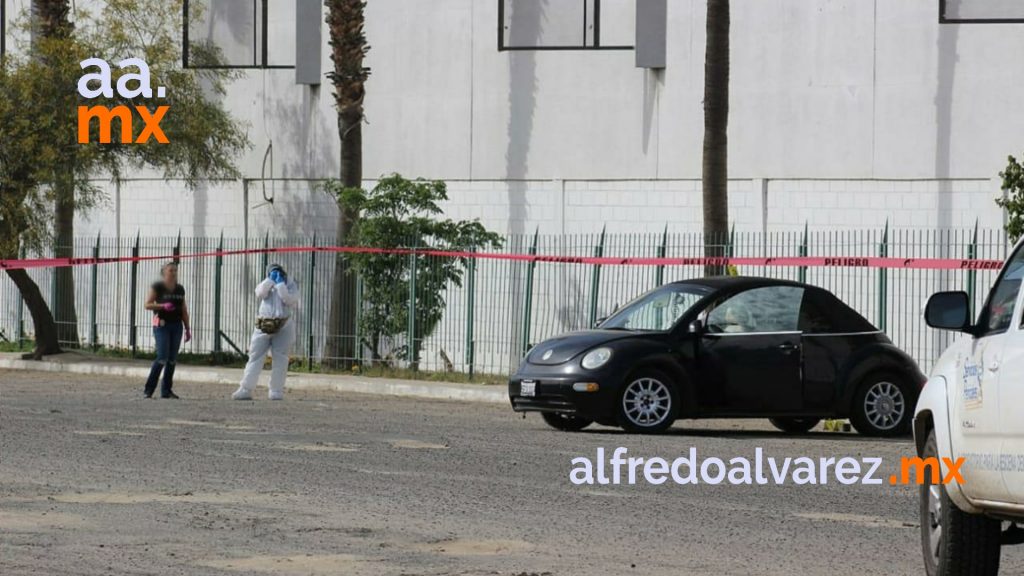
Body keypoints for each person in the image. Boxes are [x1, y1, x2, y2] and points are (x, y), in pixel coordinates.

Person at [232, 264, 300, 401]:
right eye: (273, 272)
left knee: (281, 358)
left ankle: (276, 390)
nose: (276, 275)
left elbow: (290, 300)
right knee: (255, 356)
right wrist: (270, 281)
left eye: (279, 272)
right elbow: (260, 293)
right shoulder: (266, 283)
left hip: (283, 325)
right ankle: (246, 388)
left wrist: (281, 284)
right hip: (263, 324)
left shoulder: (290, 284)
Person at [143, 262, 191, 399]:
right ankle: (148, 390)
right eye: (171, 270)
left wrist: (187, 328)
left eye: (175, 270)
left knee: (172, 359)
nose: (174, 273)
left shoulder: (180, 289)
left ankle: (166, 391)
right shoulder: (157, 287)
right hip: (162, 325)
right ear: (164, 272)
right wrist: (162, 306)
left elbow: (183, 309)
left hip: (176, 326)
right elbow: (147, 304)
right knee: (162, 357)